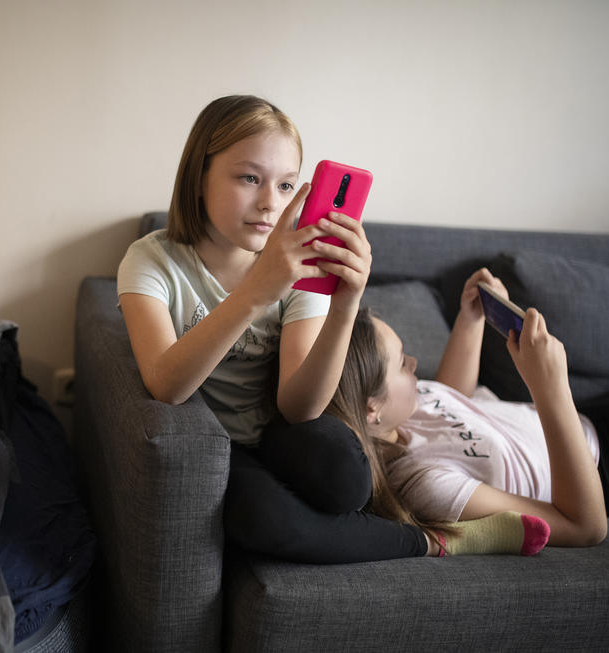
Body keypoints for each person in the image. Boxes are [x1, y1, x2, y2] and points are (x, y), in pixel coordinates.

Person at [117, 94, 549, 562]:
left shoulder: (300, 265)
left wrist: (345, 305)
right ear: (199, 177)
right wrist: (256, 293)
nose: (269, 203)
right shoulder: (152, 261)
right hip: (220, 442)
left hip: (280, 430)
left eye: (286, 186)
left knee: (347, 479)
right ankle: (438, 540)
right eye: (249, 178)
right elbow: (165, 385)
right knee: (260, 518)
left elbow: (299, 406)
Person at [328, 267, 609, 547]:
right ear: (370, 407)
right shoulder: (428, 487)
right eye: (402, 363)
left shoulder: (396, 418)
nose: (415, 364)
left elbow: (452, 401)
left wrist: (470, 320)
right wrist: (550, 386)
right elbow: (584, 527)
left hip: (597, 420)